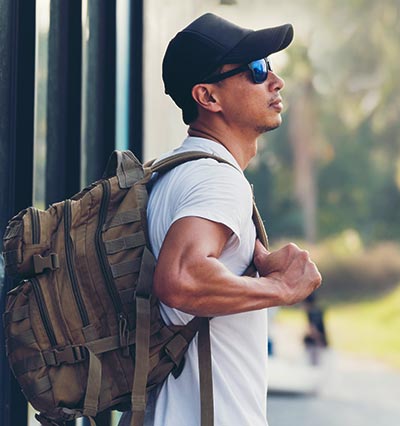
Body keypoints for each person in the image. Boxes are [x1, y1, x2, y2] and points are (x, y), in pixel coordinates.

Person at [119, 12, 322, 426]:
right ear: (208, 98)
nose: (275, 81)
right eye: (256, 69)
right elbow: (181, 279)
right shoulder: (216, 179)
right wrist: (279, 288)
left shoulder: (173, 174)